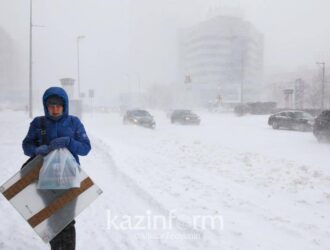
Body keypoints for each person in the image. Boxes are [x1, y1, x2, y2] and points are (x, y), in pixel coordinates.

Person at [22, 86, 91, 250]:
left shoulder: (74, 123)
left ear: (64, 105)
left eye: (58, 106)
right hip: (45, 180)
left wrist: (69, 142)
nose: (54, 109)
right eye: (51, 106)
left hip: (69, 179)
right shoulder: (38, 123)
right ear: (46, 106)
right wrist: (37, 149)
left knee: (67, 219)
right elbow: (26, 146)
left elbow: (85, 148)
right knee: (53, 218)